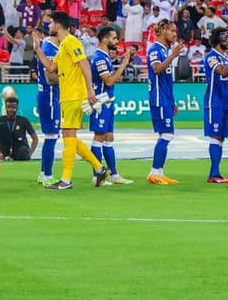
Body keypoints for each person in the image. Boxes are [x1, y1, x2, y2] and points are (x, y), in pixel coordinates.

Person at [38, 11, 109, 189]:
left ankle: (66, 180)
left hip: (74, 95)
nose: (49, 26)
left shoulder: (71, 42)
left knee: (68, 137)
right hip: (68, 96)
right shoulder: (63, 45)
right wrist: (37, 49)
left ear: (57, 25)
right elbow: (52, 68)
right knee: (70, 137)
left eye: (51, 23)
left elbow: (84, 63)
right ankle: (99, 168)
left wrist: (90, 90)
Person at [88, 25, 134, 185]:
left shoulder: (105, 57)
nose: (116, 41)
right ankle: (97, 176)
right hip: (100, 103)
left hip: (107, 102)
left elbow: (113, 79)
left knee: (108, 137)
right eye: (114, 38)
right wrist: (123, 64)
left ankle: (114, 174)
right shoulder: (100, 58)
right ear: (106, 39)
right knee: (99, 137)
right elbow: (108, 81)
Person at [144, 19, 180, 185]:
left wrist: (172, 102)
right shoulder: (155, 50)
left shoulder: (165, 51)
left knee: (166, 135)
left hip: (165, 99)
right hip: (158, 99)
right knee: (166, 134)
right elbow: (157, 70)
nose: (175, 34)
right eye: (172, 31)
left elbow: (167, 80)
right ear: (163, 30)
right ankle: (154, 172)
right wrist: (173, 56)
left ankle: (159, 172)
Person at [201, 30, 228, 184]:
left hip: (223, 103)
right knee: (215, 136)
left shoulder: (223, 58)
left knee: (221, 138)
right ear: (216, 39)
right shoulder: (211, 57)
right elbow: (223, 72)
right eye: (224, 37)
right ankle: (215, 174)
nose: (227, 40)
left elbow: (226, 81)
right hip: (213, 102)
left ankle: (214, 173)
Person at [33, 21, 63, 186]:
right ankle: (47, 176)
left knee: (52, 136)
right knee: (51, 136)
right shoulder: (50, 49)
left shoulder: (48, 46)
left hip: (50, 95)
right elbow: (51, 78)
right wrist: (70, 76)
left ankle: (43, 172)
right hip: (49, 95)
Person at [0, 94, 39, 161]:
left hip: (20, 149)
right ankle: (5, 156)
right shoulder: (1, 120)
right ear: (5, 108)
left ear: (17, 108)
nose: (11, 109)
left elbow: (35, 138)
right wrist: (0, 153)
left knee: (23, 152)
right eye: (8, 107)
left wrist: (29, 154)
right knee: (2, 128)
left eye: (13, 107)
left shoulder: (24, 120)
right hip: (5, 150)